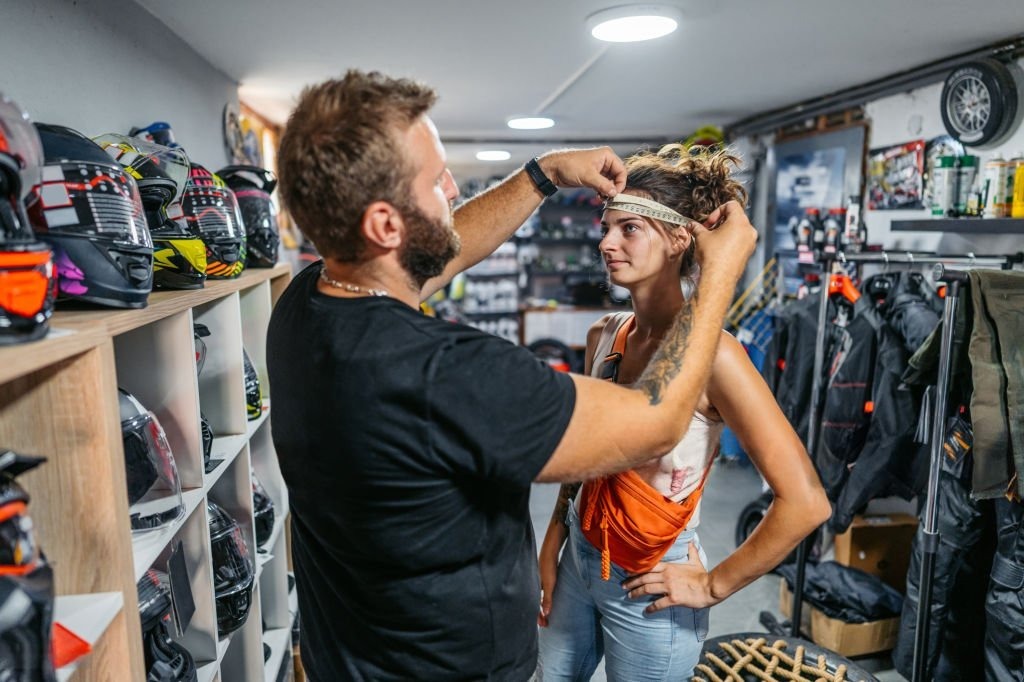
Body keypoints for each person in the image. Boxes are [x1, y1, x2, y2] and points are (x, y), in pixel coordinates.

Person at [268, 70, 757, 681]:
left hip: (348, 651)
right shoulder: (450, 372)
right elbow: (657, 424)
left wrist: (543, 174)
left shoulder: (306, 303)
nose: (452, 187)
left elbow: (442, 248)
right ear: (385, 227)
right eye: (435, 180)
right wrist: (720, 278)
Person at [536, 145, 831, 680]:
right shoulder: (606, 334)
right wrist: (556, 539)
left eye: (630, 229)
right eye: (607, 227)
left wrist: (712, 585)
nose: (606, 243)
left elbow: (806, 502)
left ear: (678, 239)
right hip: (580, 556)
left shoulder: (717, 357)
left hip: (652, 583)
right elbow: (585, 452)